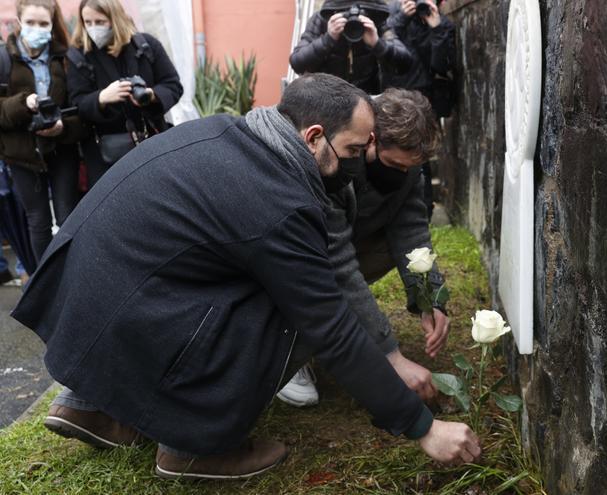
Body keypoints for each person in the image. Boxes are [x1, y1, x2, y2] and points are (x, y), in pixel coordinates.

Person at [12, 73, 480, 481]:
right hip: (129, 308)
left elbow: (411, 231)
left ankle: (93, 407)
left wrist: (426, 294)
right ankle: (197, 446)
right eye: (355, 149)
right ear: (314, 135)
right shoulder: (278, 200)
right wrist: (421, 425)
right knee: (287, 306)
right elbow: (330, 322)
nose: (358, 160)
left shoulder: (228, 135)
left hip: (83, 306)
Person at [278, 88, 449, 407]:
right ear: (370, 140)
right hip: (300, 247)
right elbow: (338, 265)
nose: (402, 176)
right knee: (323, 274)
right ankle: (289, 347)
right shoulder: (332, 160)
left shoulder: (407, 167)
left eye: (409, 169)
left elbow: (411, 230)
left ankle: (333, 322)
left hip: (346, 239)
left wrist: (430, 297)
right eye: (395, 165)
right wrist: (390, 354)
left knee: (388, 246)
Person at [0, 0, 87, 261]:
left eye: (43, 23)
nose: (36, 29)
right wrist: (23, 103)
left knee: (68, 216)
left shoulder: (67, 59)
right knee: (37, 221)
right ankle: (45, 285)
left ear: (52, 24)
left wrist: (63, 128)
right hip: (22, 153)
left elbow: (81, 107)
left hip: (61, 148)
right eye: (30, 23)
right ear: (18, 22)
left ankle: (73, 277)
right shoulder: (4, 59)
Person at [66, 0, 182, 187]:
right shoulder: (79, 56)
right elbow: (77, 104)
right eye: (88, 22)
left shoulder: (146, 45)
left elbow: (173, 85)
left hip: (152, 141)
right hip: (105, 154)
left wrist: (152, 95)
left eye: (100, 22)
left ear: (115, 19)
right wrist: (101, 98)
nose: (93, 28)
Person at [386, 0, 456, 219]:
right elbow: (383, 47)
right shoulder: (393, 16)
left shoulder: (441, 25)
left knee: (420, 157)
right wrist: (402, 18)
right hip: (395, 97)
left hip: (425, 100)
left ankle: (423, 210)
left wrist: (437, 29)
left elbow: (440, 65)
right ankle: (393, 208)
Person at [290, 0, 413, 94]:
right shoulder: (322, 19)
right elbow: (297, 63)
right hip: (325, 97)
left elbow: (404, 63)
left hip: (365, 98)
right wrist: (328, 39)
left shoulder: (376, 20)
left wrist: (377, 44)